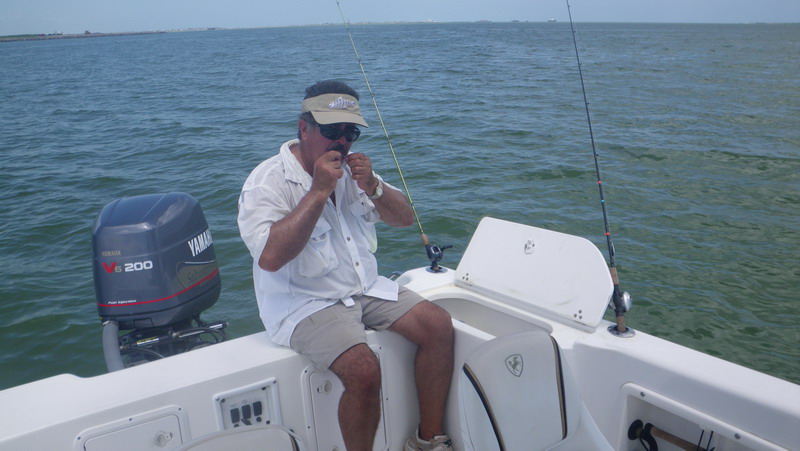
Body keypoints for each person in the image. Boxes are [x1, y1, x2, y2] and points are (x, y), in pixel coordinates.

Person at [237, 79, 455, 451]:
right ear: (304, 129)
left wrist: (374, 186)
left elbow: (405, 219)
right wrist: (319, 191)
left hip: (364, 288)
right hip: (306, 304)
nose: (341, 141)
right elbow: (270, 258)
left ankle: (428, 440)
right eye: (331, 131)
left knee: (438, 325)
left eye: (349, 132)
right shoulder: (267, 182)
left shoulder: (355, 173)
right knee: (363, 369)